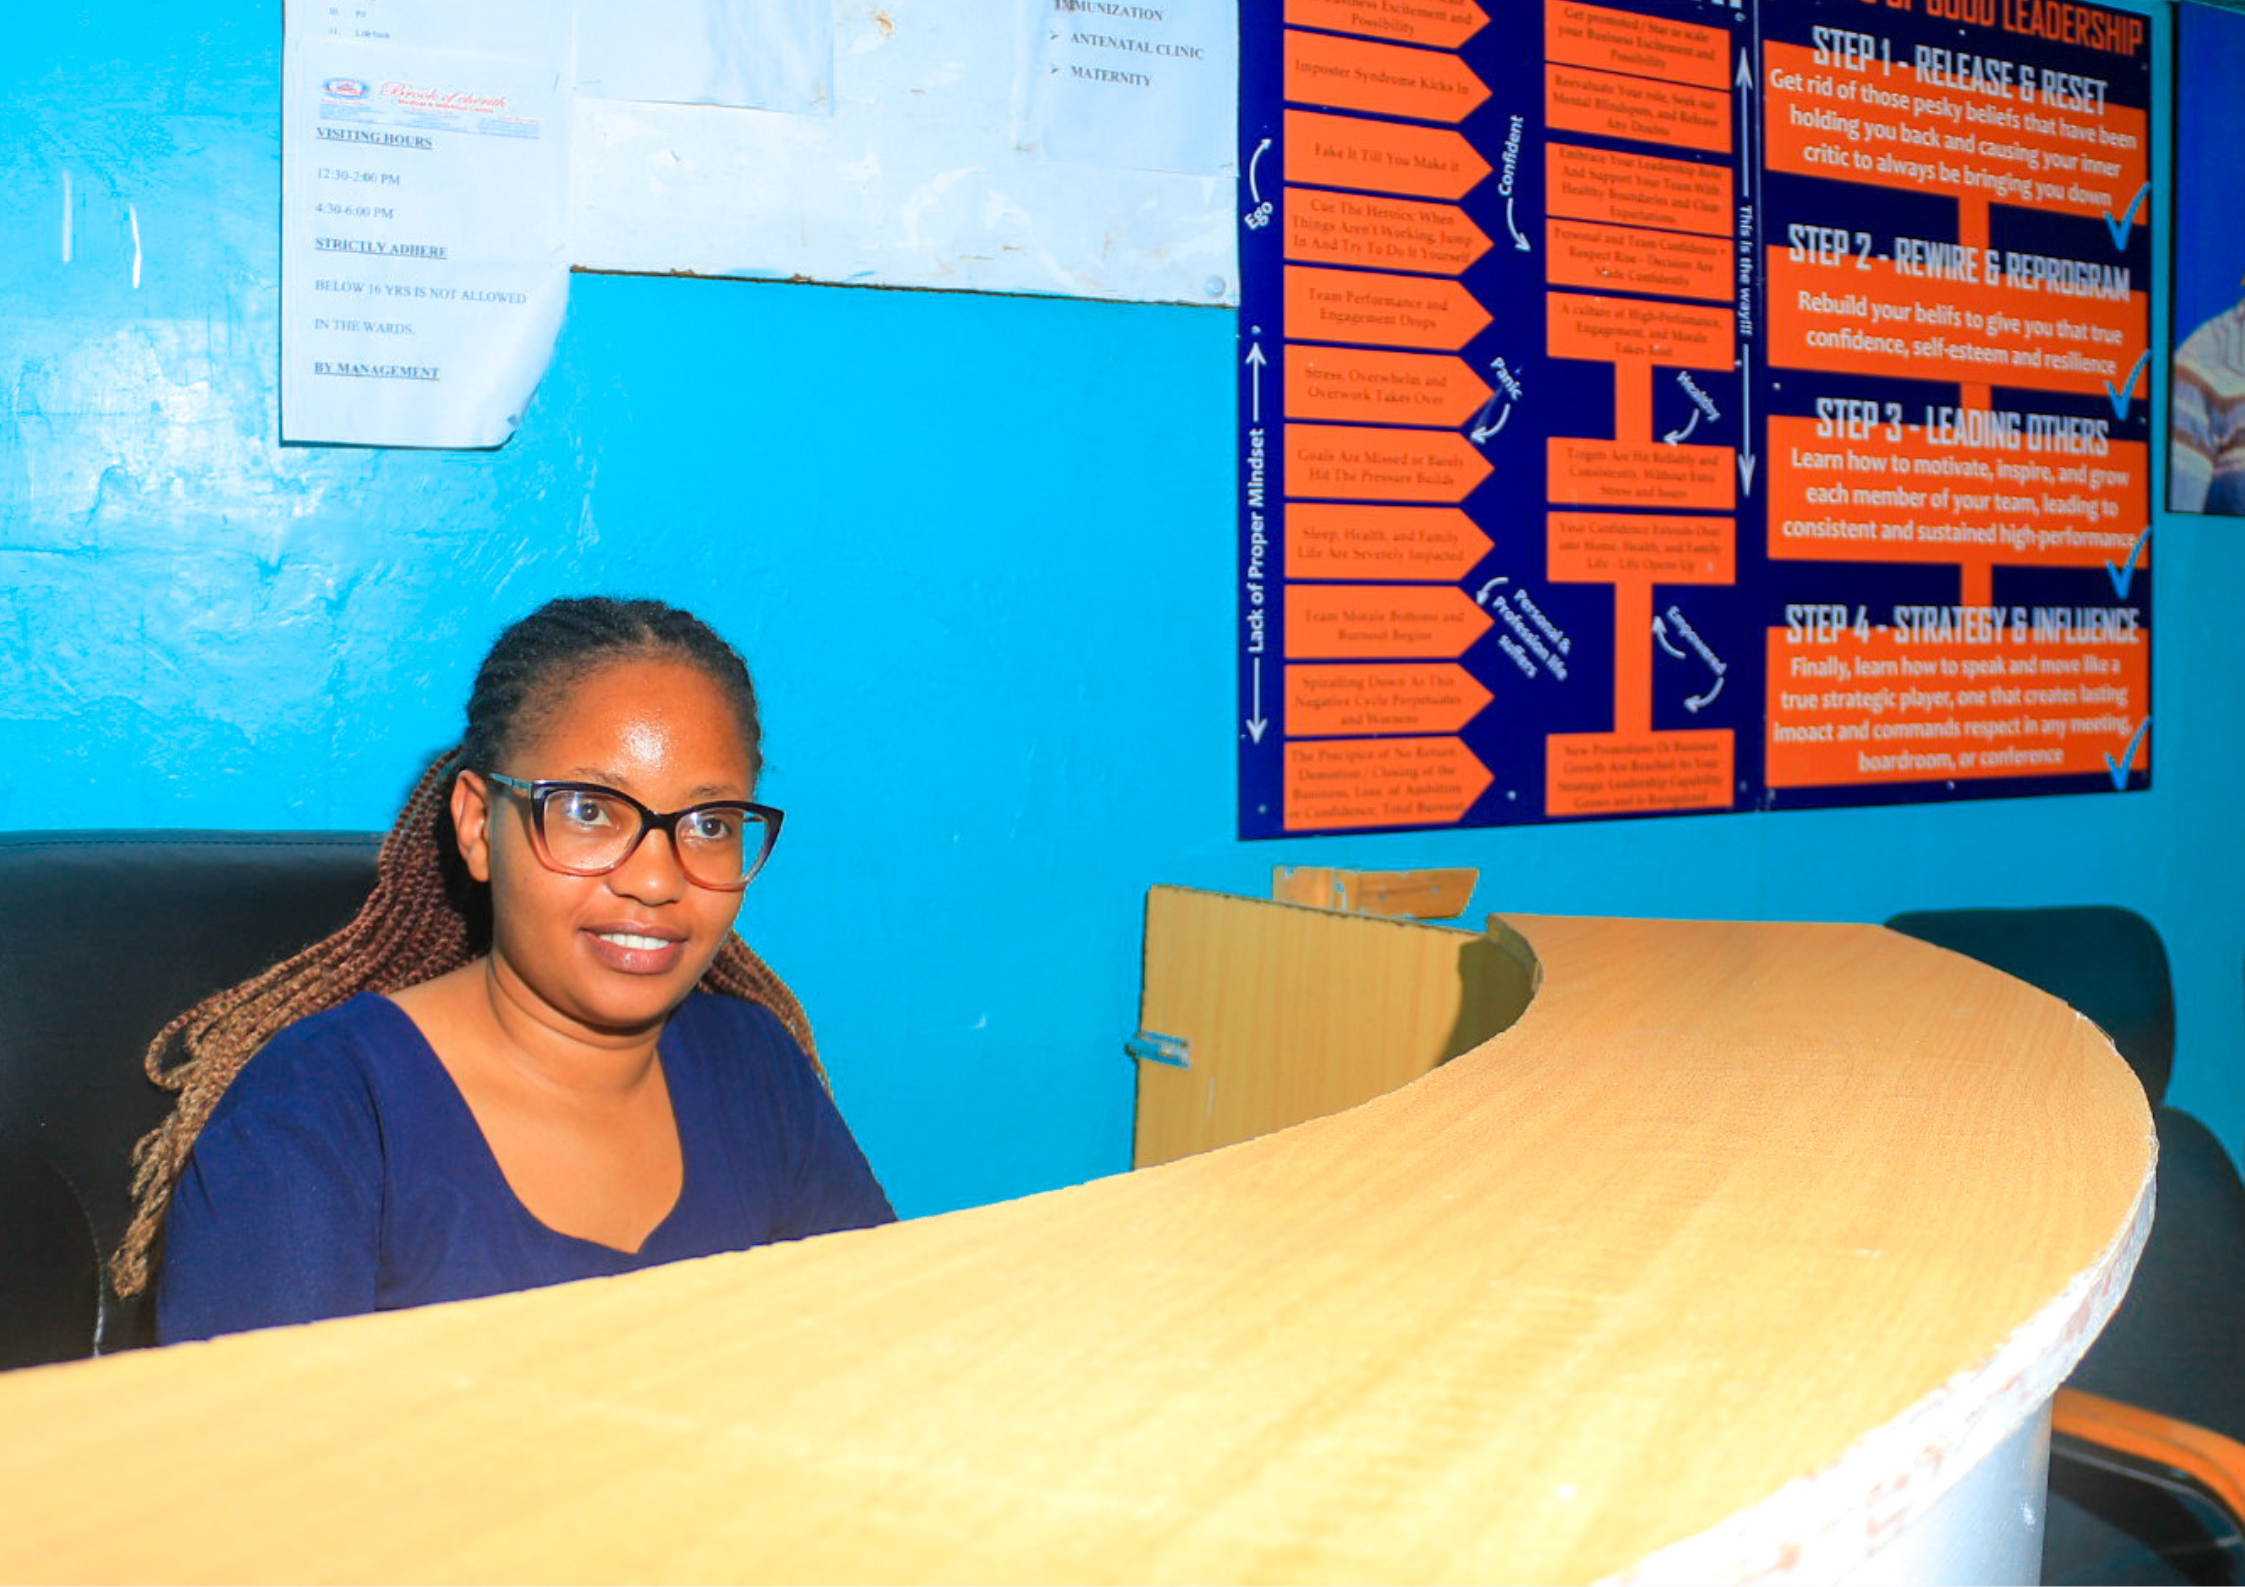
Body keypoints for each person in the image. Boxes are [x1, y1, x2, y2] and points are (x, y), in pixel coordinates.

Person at [111, 596, 894, 1342]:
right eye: (589, 809)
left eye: (710, 822)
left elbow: (892, 1360)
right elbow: (261, 1467)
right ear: (480, 825)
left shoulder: (756, 1068)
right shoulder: (324, 1106)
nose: (657, 878)